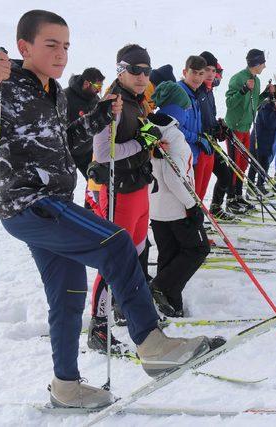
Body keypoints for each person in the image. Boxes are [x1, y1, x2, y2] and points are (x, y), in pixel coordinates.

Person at [0, 10, 210, 409]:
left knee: (69, 297)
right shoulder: (2, 88)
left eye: (67, 46)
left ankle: (66, 386)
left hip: (55, 203)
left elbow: (60, 140)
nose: (61, 54)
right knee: (117, 243)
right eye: (51, 45)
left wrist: (93, 119)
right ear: (24, 47)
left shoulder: (54, 92)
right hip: (29, 204)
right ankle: (152, 342)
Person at [87, 44, 159, 351]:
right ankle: (98, 327)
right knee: (114, 259)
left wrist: (149, 137)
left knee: (137, 252)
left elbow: (136, 139)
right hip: (119, 192)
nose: (142, 76)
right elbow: (104, 153)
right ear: (121, 70)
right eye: (135, 70)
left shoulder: (137, 100)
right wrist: (142, 144)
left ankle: (127, 309)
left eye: (146, 71)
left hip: (139, 187)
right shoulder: (113, 103)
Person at [148, 81, 211, 317]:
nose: (186, 112)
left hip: (156, 206)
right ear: (175, 109)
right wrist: (192, 205)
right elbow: (174, 177)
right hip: (176, 208)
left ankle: (171, 306)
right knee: (198, 249)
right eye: (183, 108)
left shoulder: (148, 128)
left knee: (169, 253)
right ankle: (160, 287)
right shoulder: (172, 134)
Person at [224, 48, 266, 214]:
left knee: (243, 163)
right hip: (234, 127)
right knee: (234, 164)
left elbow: (254, 102)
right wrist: (243, 90)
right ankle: (230, 199)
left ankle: (238, 195)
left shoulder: (257, 80)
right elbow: (229, 103)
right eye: (262, 63)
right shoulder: (238, 78)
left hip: (247, 126)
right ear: (255, 64)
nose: (264, 66)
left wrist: (267, 96)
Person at [198, 51, 238, 221]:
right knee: (198, 186)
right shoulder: (196, 90)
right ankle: (195, 219)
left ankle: (215, 206)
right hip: (200, 145)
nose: (211, 74)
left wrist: (219, 127)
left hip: (210, 142)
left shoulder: (208, 91)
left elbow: (209, 116)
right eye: (207, 70)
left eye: (213, 70)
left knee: (226, 174)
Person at [178, 56, 212, 198]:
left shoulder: (195, 93)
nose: (197, 78)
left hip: (193, 157)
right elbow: (175, 128)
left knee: (194, 199)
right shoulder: (179, 94)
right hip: (181, 157)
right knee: (185, 202)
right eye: (193, 73)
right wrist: (196, 138)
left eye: (200, 74)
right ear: (185, 72)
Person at [64, 67, 105, 180]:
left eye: (101, 87)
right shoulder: (65, 97)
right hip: (68, 153)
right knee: (66, 184)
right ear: (87, 83)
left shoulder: (94, 99)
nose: (99, 91)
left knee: (95, 183)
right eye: (97, 87)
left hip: (87, 151)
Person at [248, 85, 276, 195]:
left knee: (265, 164)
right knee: (256, 165)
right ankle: (251, 188)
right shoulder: (266, 106)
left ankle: (260, 185)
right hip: (259, 141)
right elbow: (270, 124)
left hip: (268, 141)